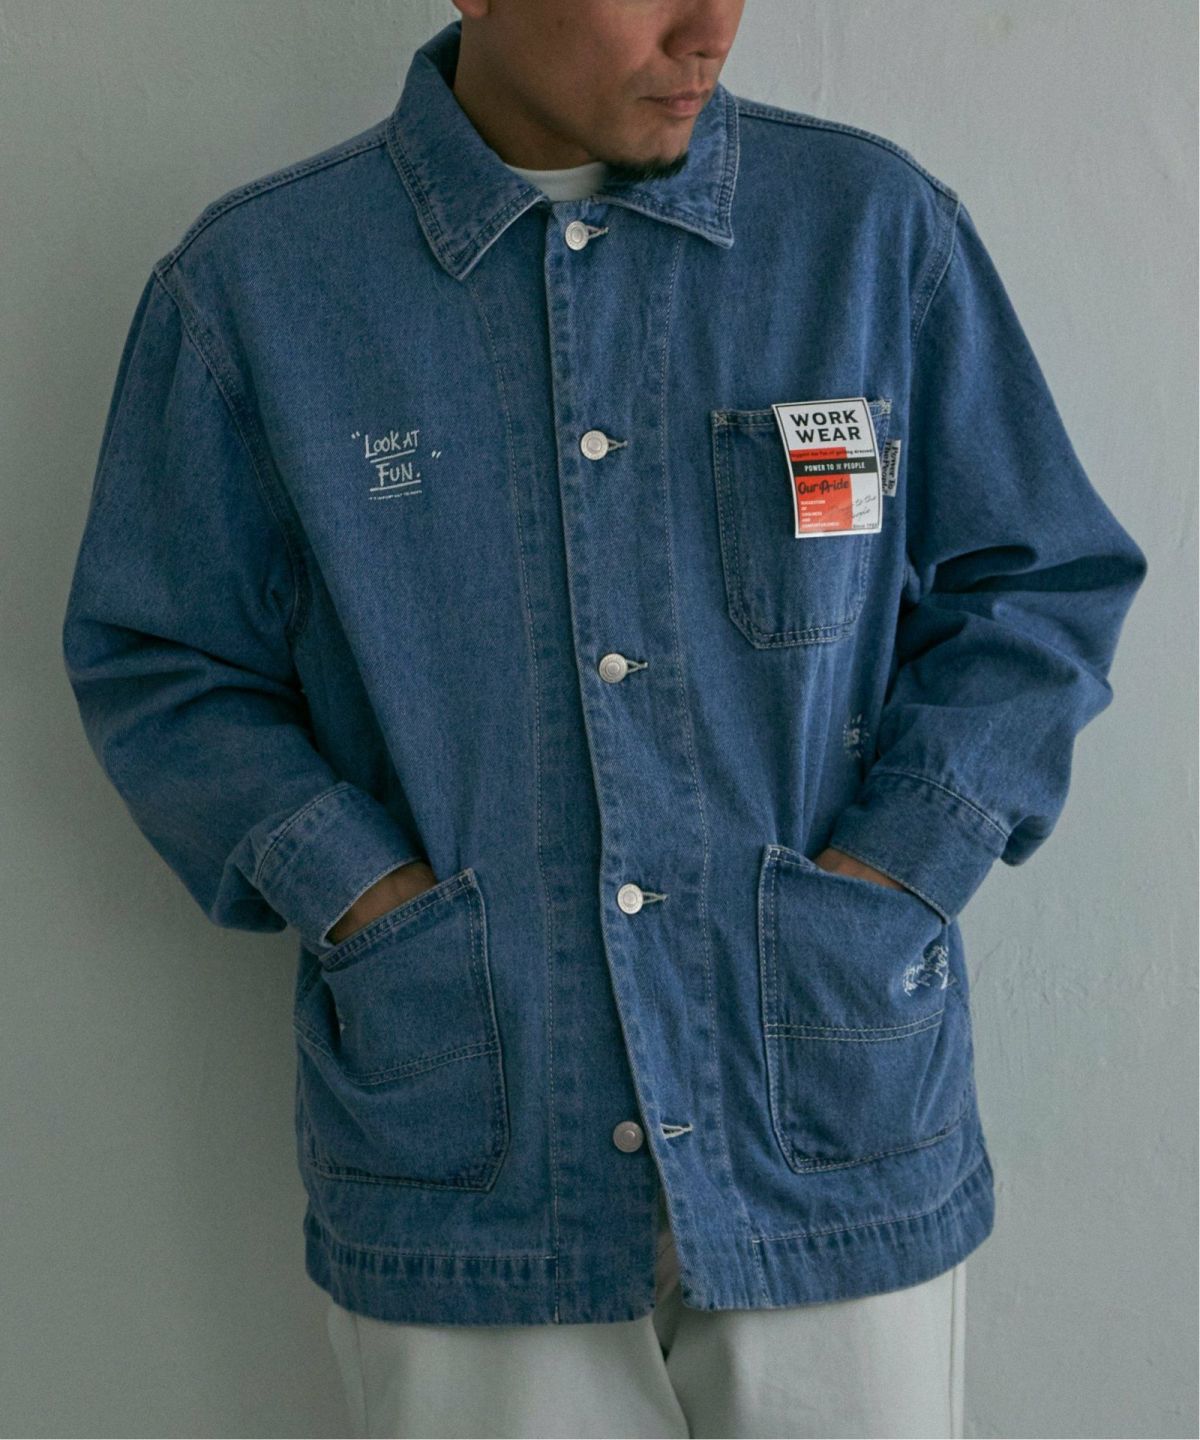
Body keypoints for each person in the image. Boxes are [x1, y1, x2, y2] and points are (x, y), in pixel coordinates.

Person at [60, 2, 1148, 1435]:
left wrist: (896, 873)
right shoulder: (261, 288)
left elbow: (1037, 587)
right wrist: (367, 899)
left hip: (830, 1127)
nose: (712, 26)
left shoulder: (868, 234)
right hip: (474, 1155)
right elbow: (164, 663)